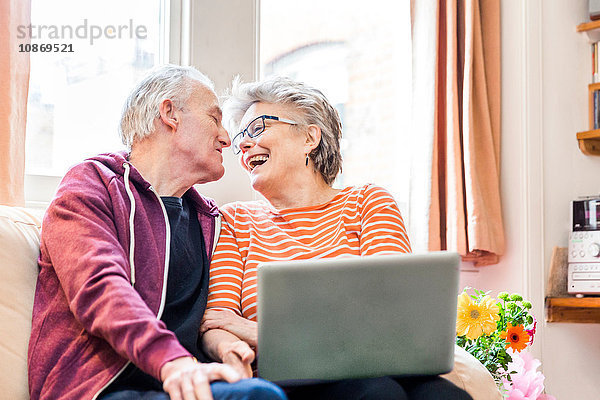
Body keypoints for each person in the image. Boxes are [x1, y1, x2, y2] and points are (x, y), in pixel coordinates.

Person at [200, 77, 473, 400]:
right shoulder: (235, 220)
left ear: (309, 137)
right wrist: (233, 350)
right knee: (376, 393)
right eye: (241, 137)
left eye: (257, 128)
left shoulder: (367, 202)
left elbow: (393, 319)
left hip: (377, 365)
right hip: (292, 381)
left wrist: (260, 333)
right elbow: (215, 321)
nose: (243, 144)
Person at [27, 65, 287, 400]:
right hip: (101, 388)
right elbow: (100, 288)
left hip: (182, 379)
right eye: (214, 118)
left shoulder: (209, 219)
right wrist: (172, 361)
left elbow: (211, 317)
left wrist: (229, 349)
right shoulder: (91, 185)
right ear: (169, 114)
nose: (227, 137)